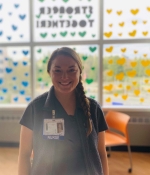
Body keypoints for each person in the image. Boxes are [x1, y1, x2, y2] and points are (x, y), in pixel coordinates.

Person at [18, 47, 109, 175]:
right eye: (58, 70)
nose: (65, 76)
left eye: (71, 70)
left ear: (79, 72)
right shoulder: (35, 109)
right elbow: (24, 155)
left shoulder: (94, 109)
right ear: (50, 72)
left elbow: (101, 153)